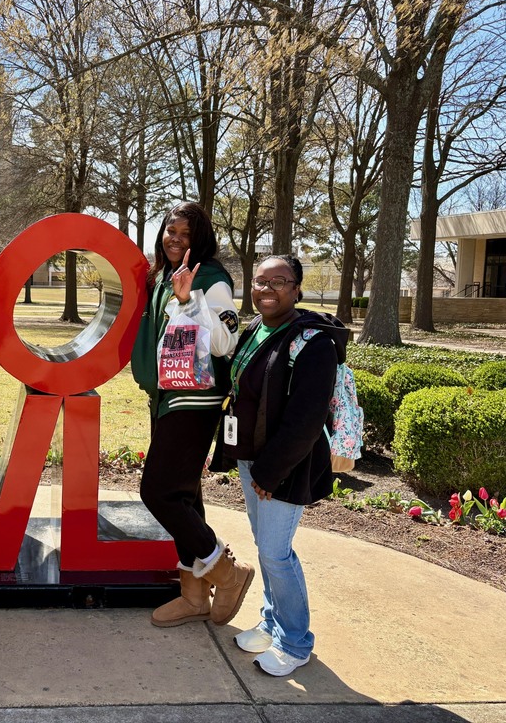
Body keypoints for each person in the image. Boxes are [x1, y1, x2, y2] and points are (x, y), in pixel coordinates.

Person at [131, 200, 253, 628]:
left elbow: (225, 342)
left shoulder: (212, 278)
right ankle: (194, 594)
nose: (174, 239)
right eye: (169, 230)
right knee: (184, 496)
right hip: (167, 396)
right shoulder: (162, 276)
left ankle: (226, 571)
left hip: (195, 400)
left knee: (158, 493)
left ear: (198, 239)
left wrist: (190, 300)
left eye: (183, 233)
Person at [223, 254, 346, 677]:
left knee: (276, 554)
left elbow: (306, 421)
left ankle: (295, 643)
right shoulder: (256, 330)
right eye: (259, 281)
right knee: (265, 546)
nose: (267, 289)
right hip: (255, 461)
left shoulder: (313, 343)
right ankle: (273, 623)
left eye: (279, 281)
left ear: (296, 289)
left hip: (285, 466)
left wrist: (268, 473)